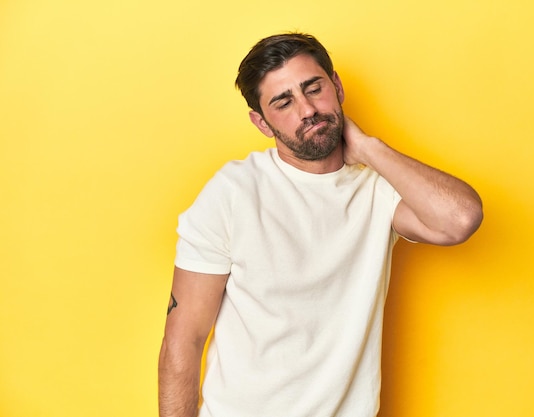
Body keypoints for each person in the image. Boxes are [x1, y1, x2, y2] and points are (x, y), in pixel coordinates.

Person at [158, 32, 483, 417]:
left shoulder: (378, 189)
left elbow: (460, 219)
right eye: (284, 102)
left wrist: (368, 148)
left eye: (313, 88)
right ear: (262, 123)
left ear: (337, 86)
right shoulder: (233, 192)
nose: (307, 110)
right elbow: (184, 339)